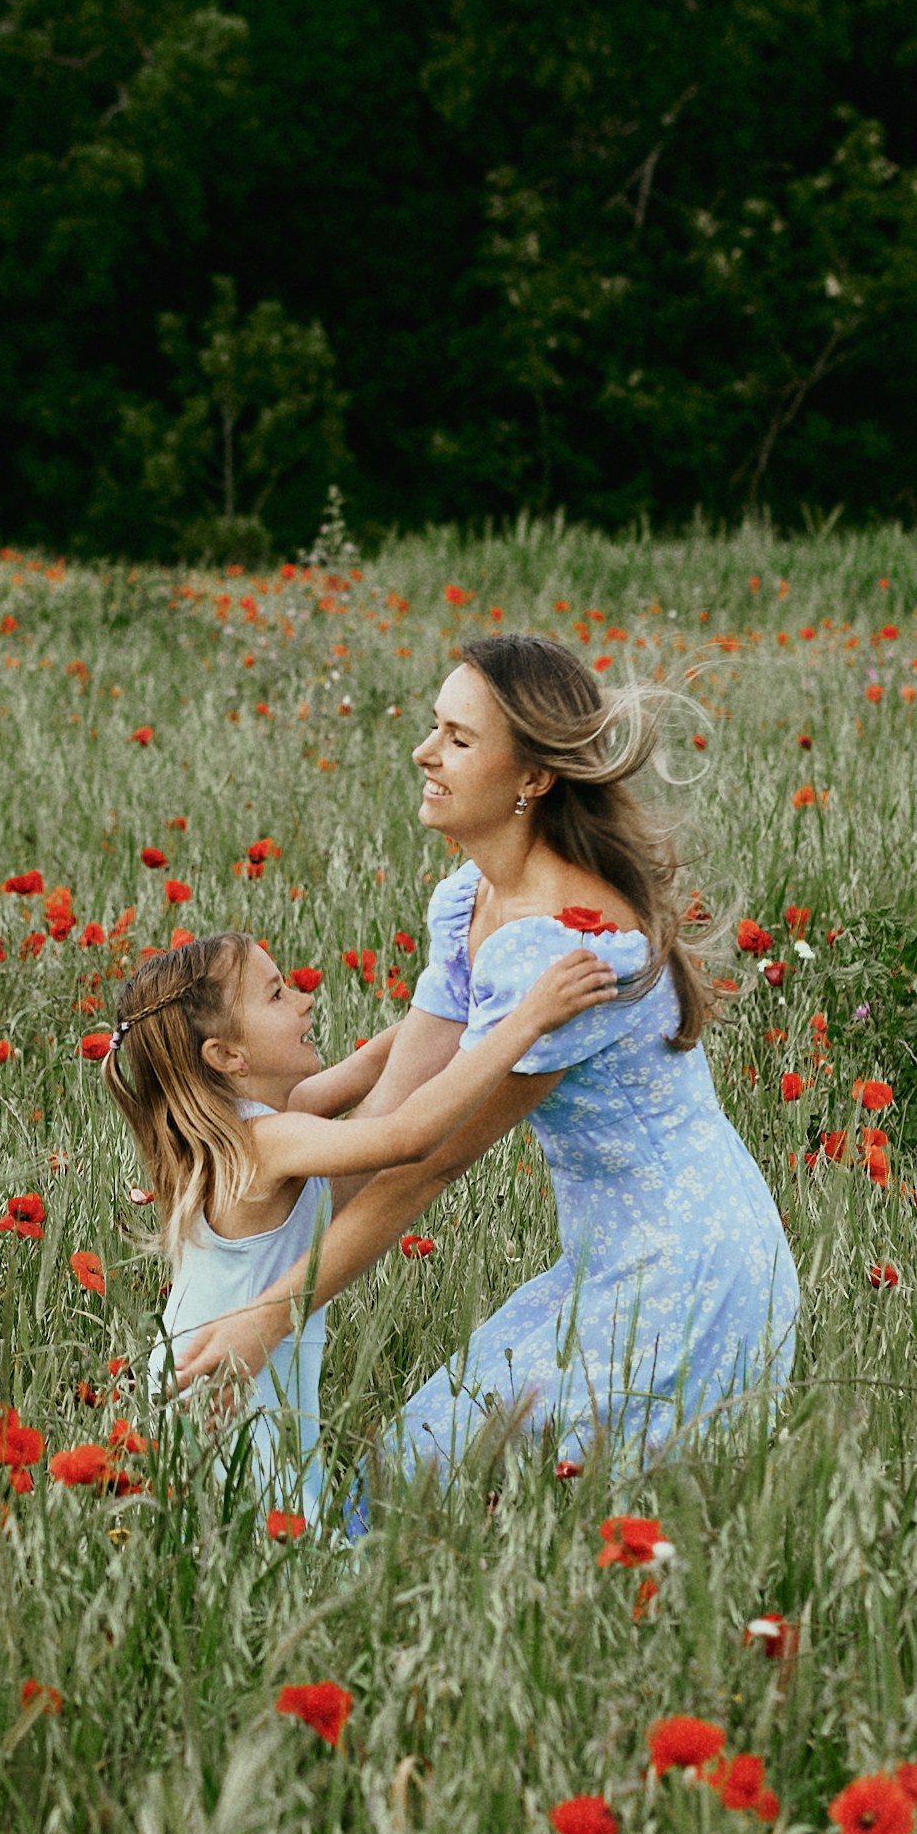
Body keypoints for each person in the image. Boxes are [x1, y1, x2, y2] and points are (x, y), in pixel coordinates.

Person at [167, 631, 799, 1488]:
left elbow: (426, 1159)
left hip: (686, 1269)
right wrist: (238, 1237)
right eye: (435, 728)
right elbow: (391, 1111)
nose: (425, 753)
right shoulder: (471, 896)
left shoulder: (561, 947)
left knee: (449, 1492)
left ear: (532, 778)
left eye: (458, 739)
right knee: (422, 1483)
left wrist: (269, 1317)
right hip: (605, 1259)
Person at [106, 922, 619, 1521]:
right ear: (228, 1057)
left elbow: (380, 1057)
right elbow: (410, 1136)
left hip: (225, 1375)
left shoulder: (268, 1118)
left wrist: (484, 994)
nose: (304, 997)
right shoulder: (263, 1143)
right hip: (227, 1392)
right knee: (285, 1548)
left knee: (272, 1536)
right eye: (276, 994)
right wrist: (526, 1021)